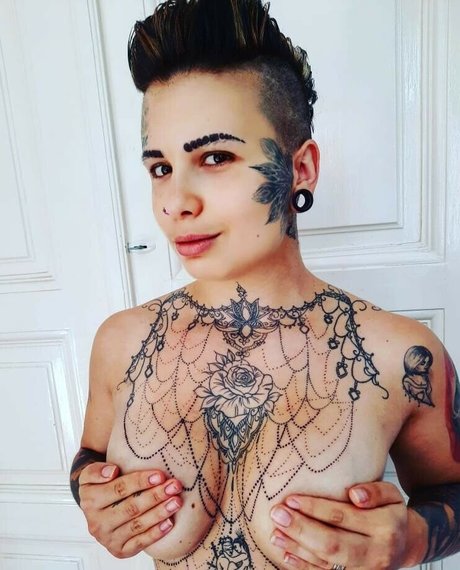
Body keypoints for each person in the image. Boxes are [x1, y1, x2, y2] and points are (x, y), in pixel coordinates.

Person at [70, 0, 460, 568]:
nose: (175, 202)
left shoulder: (400, 354)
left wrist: (414, 537)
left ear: (301, 169)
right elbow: (90, 456)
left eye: (216, 157)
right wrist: (91, 492)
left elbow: (451, 488)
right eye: (160, 168)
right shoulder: (122, 342)